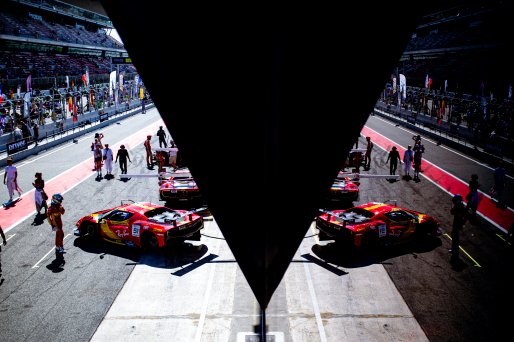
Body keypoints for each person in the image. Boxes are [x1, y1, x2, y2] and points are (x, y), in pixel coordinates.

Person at [449, 194, 468, 264]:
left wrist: (452, 206)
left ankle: (455, 251)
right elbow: (465, 216)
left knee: (455, 238)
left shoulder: (459, 207)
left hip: (457, 225)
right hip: (458, 224)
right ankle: (453, 249)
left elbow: (452, 212)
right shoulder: (461, 206)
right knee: (454, 237)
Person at [47, 193, 65, 263]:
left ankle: (58, 246)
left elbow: (63, 212)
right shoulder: (51, 208)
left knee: (60, 235)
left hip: (60, 223)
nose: (61, 202)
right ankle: (60, 247)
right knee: (60, 234)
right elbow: (48, 217)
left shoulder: (59, 206)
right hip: (56, 224)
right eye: (60, 201)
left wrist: (61, 209)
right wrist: (52, 225)